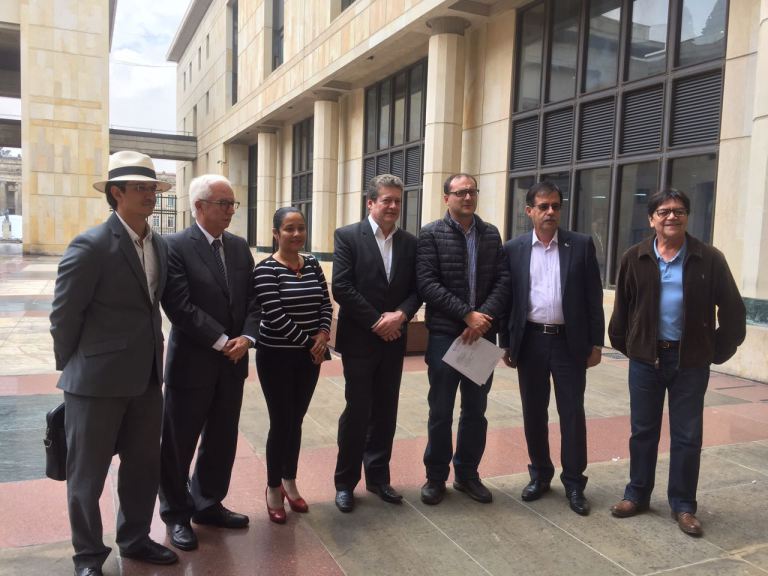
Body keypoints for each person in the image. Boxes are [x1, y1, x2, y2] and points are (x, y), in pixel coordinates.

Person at [50, 151, 177, 576]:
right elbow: (64, 315)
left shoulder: (158, 244)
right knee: (87, 477)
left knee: (143, 467)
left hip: (147, 379)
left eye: (153, 188)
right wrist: (75, 367)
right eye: (141, 188)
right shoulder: (90, 245)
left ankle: (135, 538)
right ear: (116, 193)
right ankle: (88, 556)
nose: (150, 195)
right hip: (95, 383)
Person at [608, 187, 746, 536]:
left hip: (690, 361)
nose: (672, 216)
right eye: (664, 211)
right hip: (646, 360)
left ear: (687, 217)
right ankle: (637, 494)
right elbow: (622, 310)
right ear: (651, 219)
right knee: (643, 432)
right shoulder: (635, 257)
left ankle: (683, 505)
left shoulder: (709, 258)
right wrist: (632, 346)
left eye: (679, 211)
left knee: (687, 435)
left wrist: (715, 351)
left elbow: (733, 311)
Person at [159, 174, 260, 551]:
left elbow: (254, 299)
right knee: (178, 442)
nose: (231, 210)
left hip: (233, 362)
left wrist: (247, 338)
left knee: (222, 437)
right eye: (224, 203)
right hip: (193, 362)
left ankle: (208, 503)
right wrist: (221, 341)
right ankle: (176, 513)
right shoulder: (174, 246)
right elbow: (178, 305)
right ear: (199, 206)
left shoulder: (238, 246)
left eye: (233, 203)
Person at [500, 181, 604, 516]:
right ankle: (540, 474)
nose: (550, 212)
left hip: (568, 343)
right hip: (530, 341)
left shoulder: (580, 245)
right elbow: (507, 300)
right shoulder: (513, 249)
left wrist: (596, 343)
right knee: (533, 411)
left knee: (572, 413)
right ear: (529, 210)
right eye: (543, 206)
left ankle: (574, 482)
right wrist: (507, 343)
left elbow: (593, 298)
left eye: (555, 206)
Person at [416, 173, 510, 505]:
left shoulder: (490, 234)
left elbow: (503, 280)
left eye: (472, 191)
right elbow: (427, 283)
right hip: (445, 334)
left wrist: (482, 319)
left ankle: (467, 474)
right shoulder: (430, 234)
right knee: (440, 410)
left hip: (482, 335)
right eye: (460, 193)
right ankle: (435, 477)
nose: (468, 197)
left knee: (475, 410)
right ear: (447, 198)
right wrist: (466, 315)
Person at [332, 174, 421, 513]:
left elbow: (417, 289)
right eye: (387, 200)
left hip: (394, 340)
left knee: (386, 411)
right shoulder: (347, 236)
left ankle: (378, 478)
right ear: (370, 203)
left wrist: (400, 316)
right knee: (357, 411)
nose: (393, 206)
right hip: (360, 340)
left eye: (398, 200)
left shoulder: (410, 242)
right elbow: (342, 287)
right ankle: (345, 483)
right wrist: (376, 322)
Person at [253, 207, 333, 523]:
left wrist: (323, 334)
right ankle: (273, 487)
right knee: (281, 421)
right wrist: (312, 343)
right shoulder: (265, 270)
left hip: (309, 358)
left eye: (301, 227)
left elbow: (326, 303)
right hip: (277, 357)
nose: (296, 234)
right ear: (276, 233)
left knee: (296, 420)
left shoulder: (311, 263)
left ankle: (290, 480)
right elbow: (275, 315)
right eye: (289, 228)